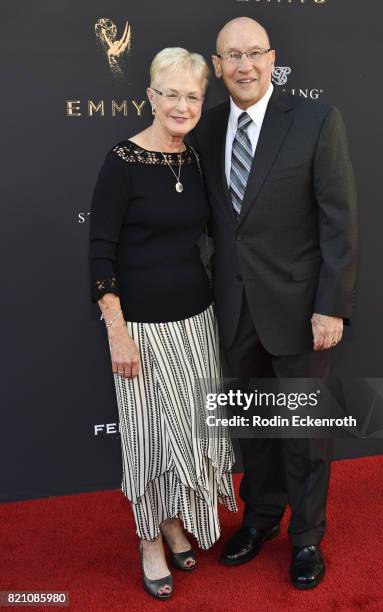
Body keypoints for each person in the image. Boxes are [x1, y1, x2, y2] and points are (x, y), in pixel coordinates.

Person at [190, 17, 358, 589]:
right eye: (231, 56)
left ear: (272, 58)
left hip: (301, 312)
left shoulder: (315, 121)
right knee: (252, 431)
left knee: (305, 432)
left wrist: (331, 305)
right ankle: (260, 518)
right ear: (216, 66)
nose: (243, 65)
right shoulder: (206, 131)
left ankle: (307, 537)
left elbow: (339, 220)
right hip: (233, 311)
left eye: (254, 53)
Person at [88, 47, 237, 601]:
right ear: (150, 96)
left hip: (197, 321)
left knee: (190, 434)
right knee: (149, 439)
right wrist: (117, 331)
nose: (181, 104)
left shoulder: (195, 158)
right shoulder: (121, 161)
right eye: (169, 93)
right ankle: (149, 538)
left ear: (203, 101)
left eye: (192, 95)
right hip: (142, 329)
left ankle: (176, 521)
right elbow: (100, 254)